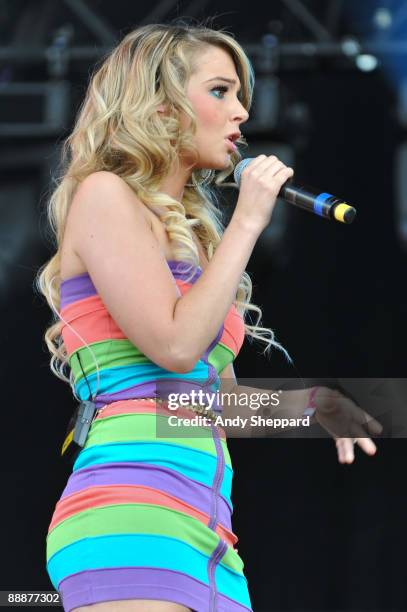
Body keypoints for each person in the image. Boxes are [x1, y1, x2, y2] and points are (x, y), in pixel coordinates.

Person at [36, 20, 382, 612]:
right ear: (162, 109)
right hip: (134, 507)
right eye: (221, 91)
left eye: (239, 93)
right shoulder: (104, 195)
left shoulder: (189, 241)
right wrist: (248, 222)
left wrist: (309, 405)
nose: (242, 111)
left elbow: (202, 398)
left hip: (208, 532)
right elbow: (173, 348)